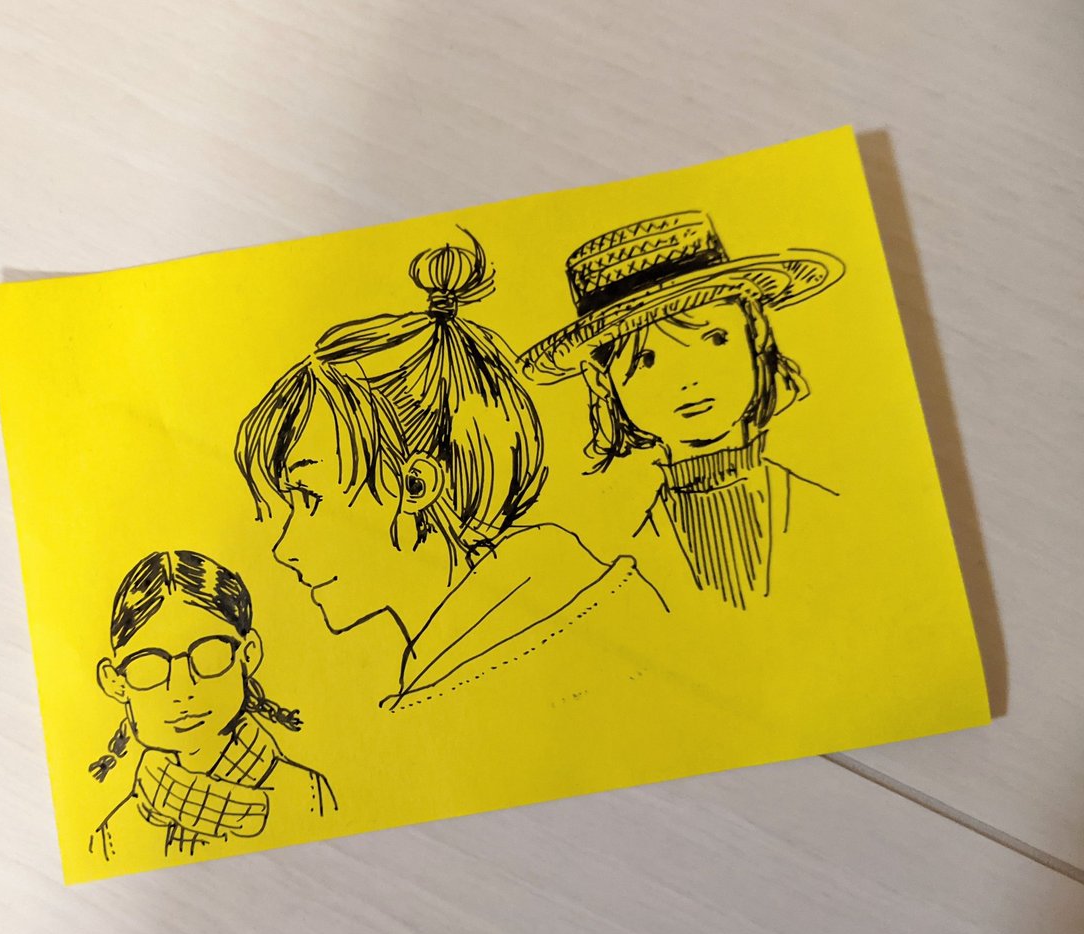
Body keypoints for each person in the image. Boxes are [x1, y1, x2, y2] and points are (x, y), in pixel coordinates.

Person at [235, 230, 668, 712]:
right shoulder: (497, 634)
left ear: (416, 485)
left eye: (310, 498)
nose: (285, 549)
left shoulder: (490, 675)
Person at [520, 211, 845, 610]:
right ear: (601, 379)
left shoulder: (829, 515)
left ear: (757, 330)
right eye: (647, 359)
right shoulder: (627, 562)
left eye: (715, 339)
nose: (690, 379)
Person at [88, 550, 335, 861]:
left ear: (248, 654)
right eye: (149, 665)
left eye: (208, 654)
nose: (181, 689)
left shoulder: (306, 795)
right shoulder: (115, 835)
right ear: (115, 682)